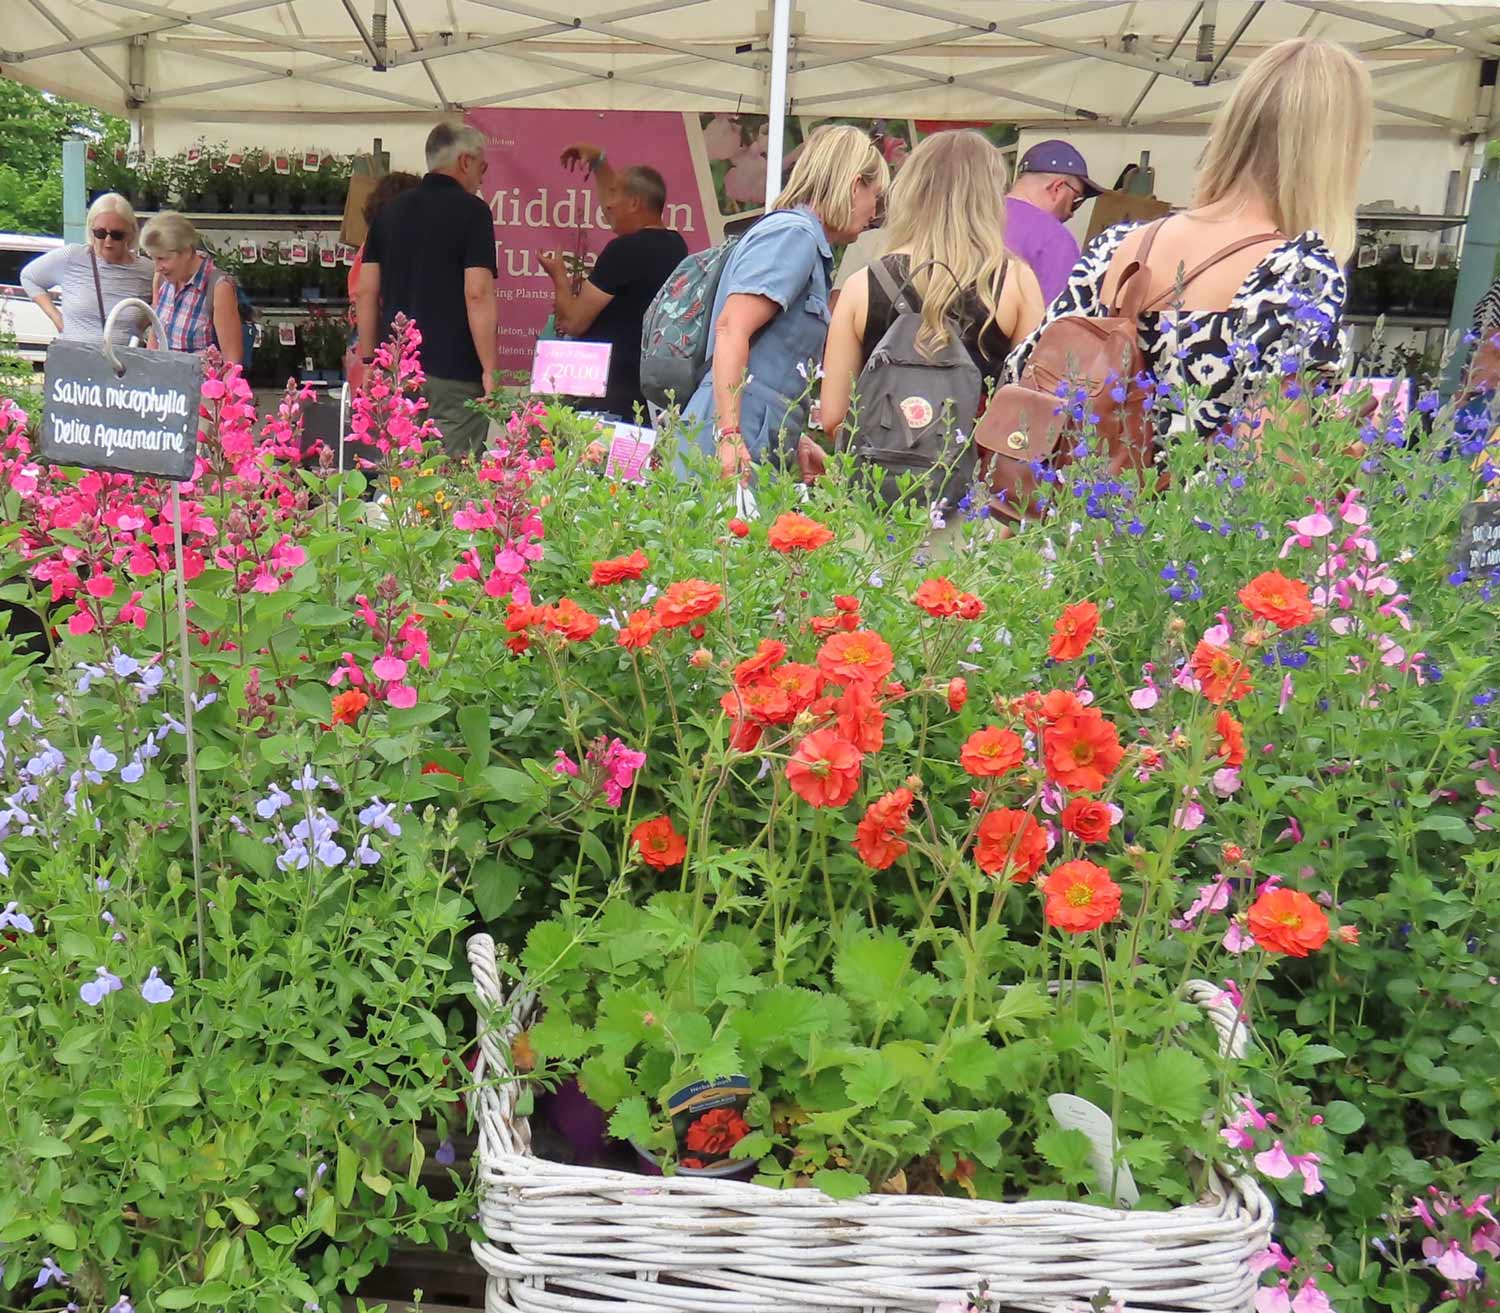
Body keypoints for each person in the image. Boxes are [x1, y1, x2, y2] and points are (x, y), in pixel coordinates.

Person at [1008, 37, 1370, 444]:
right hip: (1192, 506)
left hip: (1071, 499)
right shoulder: (1297, 273)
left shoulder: (1119, 245)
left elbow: (1024, 369)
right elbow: (1265, 462)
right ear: (1337, 154)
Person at [683, 124, 889, 480]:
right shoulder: (795, 235)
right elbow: (732, 329)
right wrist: (730, 435)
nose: (875, 212)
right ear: (855, 185)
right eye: (876, 196)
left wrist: (796, 441)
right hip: (734, 435)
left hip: (752, 429)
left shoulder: (803, 241)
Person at [818, 130, 1045, 450]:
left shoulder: (861, 285)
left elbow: (833, 417)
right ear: (990, 197)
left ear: (912, 190)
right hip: (974, 485)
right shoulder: (1016, 282)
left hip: (879, 488)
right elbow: (1033, 406)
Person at [356, 122, 498, 458]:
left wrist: (366, 360)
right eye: (483, 167)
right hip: (455, 370)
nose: (483, 177)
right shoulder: (473, 212)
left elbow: (366, 293)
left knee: (401, 475)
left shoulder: (388, 213)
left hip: (397, 368)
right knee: (451, 478)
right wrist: (490, 368)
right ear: (465, 162)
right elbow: (477, 293)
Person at [539, 145, 688, 420]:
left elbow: (573, 321)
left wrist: (558, 274)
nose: (607, 205)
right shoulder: (676, 245)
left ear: (634, 203)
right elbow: (611, 213)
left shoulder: (623, 251)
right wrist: (599, 164)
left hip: (609, 395)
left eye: (614, 195)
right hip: (645, 394)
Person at [20, 193, 153, 346]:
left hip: (124, 364)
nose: (108, 241)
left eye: (117, 235)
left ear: (131, 234)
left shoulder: (147, 270)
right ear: (91, 230)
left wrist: (144, 327)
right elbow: (29, 277)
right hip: (76, 362)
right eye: (100, 233)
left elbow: (164, 304)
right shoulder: (71, 257)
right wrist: (58, 320)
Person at [345, 170, 420, 391]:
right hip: (379, 351)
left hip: (364, 350)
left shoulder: (368, 246)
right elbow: (366, 297)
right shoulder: (379, 248)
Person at [1004, 140, 1105, 304]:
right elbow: (1059, 322)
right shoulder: (1054, 239)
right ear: (1057, 187)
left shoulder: (973, 215)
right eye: (1075, 200)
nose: (1071, 214)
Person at [140, 212, 244, 366]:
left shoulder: (218, 287)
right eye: (152, 258)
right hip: (164, 384)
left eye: (162, 258)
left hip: (200, 386)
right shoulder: (162, 279)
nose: (157, 267)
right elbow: (155, 338)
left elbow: (232, 361)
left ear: (187, 251)